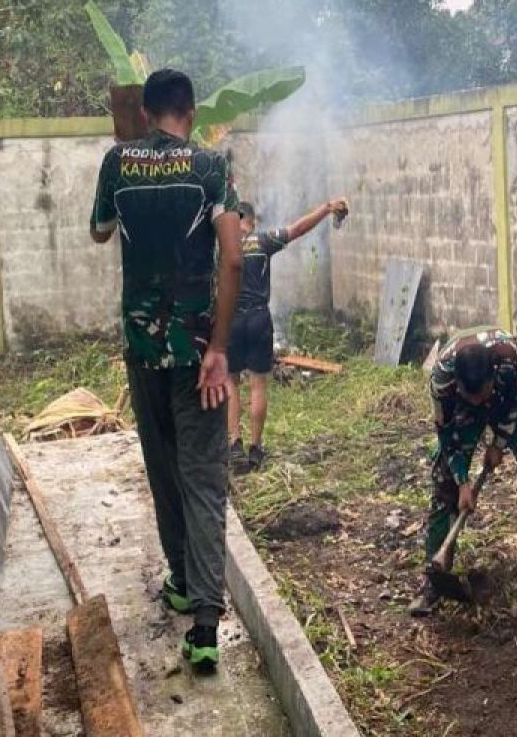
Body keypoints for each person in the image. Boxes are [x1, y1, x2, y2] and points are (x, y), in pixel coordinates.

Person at [89, 69, 242, 671]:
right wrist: (219, 349)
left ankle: (181, 577)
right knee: (205, 479)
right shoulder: (212, 168)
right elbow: (232, 259)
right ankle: (204, 628)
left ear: (147, 111)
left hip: (144, 353)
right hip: (198, 355)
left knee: (165, 471)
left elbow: (100, 232)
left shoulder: (116, 163)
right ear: (192, 110)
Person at [409, 327, 517, 617]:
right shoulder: (442, 381)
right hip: (460, 415)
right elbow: (448, 435)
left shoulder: (512, 360)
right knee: (443, 484)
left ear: (492, 375)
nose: (477, 401)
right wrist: (462, 481)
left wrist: (499, 442)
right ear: (458, 384)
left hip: (505, 404)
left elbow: (516, 403)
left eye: (481, 394)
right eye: (469, 394)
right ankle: (435, 579)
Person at [226, 197, 349, 472]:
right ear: (251, 220)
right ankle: (255, 449)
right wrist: (327, 208)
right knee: (258, 384)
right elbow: (298, 229)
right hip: (259, 318)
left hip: (231, 319)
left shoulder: (223, 247)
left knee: (231, 383)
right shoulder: (263, 241)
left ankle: (234, 445)